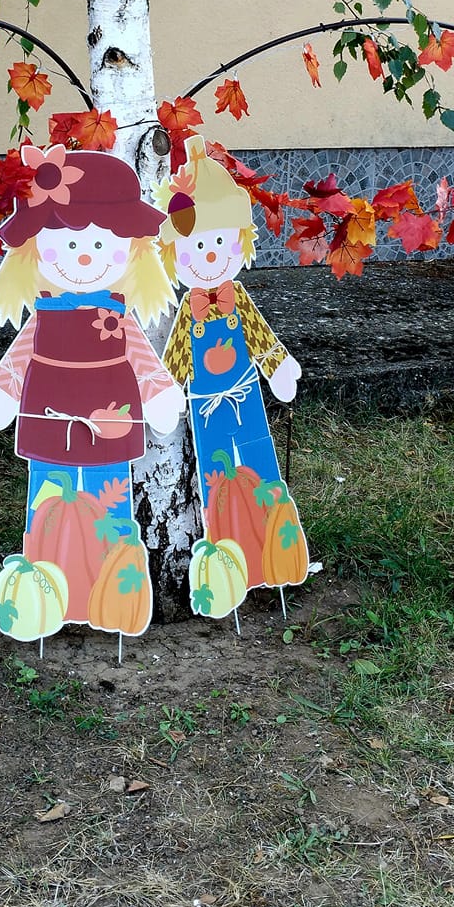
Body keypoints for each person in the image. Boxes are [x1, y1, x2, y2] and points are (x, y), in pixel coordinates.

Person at [0, 142, 181, 643]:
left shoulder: (116, 315)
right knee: (50, 503)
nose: (84, 256)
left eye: (102, 245)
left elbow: (141, 357)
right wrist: (2, 391)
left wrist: (158, 392)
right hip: (49, 420)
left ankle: (112, 591)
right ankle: (47, 592)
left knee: (110, 503)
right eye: (66, 245)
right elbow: (19, 357)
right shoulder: (44, 316)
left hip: (112, 418)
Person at [157, 136, 309, 618]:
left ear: (240, 240)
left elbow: (260, 337)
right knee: (218, 480)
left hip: (247, 399)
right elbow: (177, 356)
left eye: (220, 241)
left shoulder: (237, 298)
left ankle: (278, 555)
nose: (210, 254)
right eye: (199, 245)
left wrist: (278, 366)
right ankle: (229, 561)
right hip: (205, 411)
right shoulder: (191, 308)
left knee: (261, 467)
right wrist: (165, 393)